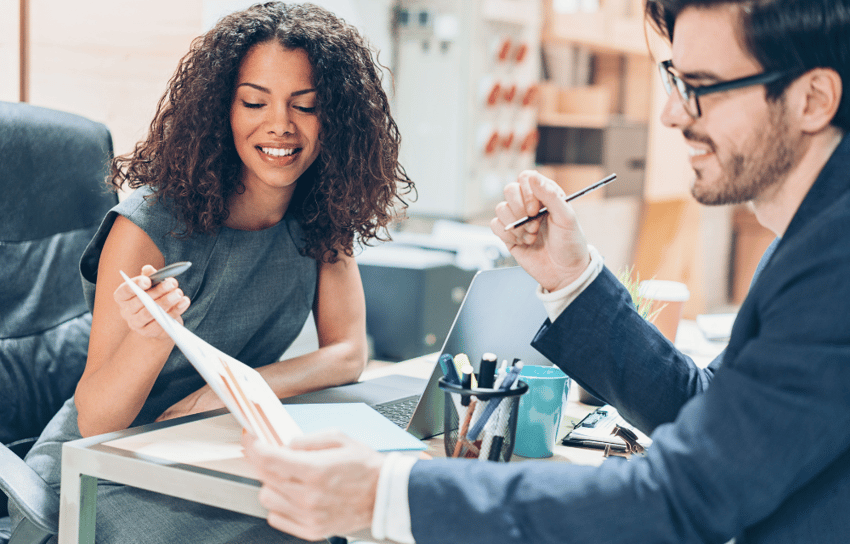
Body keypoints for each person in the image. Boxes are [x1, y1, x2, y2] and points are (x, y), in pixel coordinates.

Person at [242, 0, 850, 543]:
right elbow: (701, 409)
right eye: (674, 80)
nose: (670, 114)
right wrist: (572, 277)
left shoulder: (836, 258)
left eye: (702, 86)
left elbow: (686, 496)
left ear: (813, 99)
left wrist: (390, 493)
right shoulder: (811, 236)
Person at [11, 2, 413, 543]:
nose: (280, 125)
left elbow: (347, 354)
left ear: (335, 117)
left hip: (212, 444)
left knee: (333, 519)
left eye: (306, 105)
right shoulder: (150, 224)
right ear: (221, 109)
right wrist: (152, 339)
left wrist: (229, 393)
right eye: (254, 101)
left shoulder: (319, 216)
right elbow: (98, 423)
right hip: (103, 472)